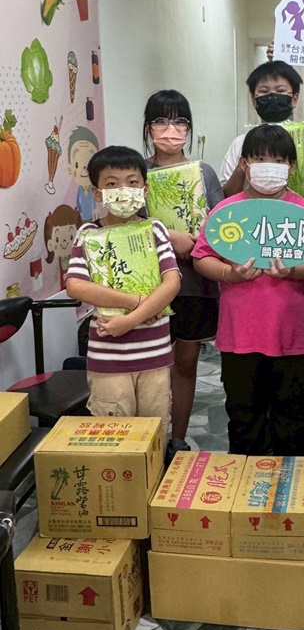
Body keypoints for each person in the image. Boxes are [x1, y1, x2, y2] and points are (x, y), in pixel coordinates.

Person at [193, 124, 304, 456]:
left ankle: (293, 475)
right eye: (260, 159)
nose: (269, 167)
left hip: (291, 336)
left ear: (291, 166)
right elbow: (201, 257)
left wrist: (294, 270)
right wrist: (228, 273)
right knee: (243, 414)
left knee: (291, 414)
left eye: (279, 160)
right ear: (244, 163)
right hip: (239, 336)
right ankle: (246, 475)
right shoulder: (226, 212)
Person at [66, 145, 181, 440]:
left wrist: (130, 320)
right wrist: (138, 302)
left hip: (155, 353)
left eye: (132, 182)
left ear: (144, 189)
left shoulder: (154, 229)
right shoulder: (88, 234)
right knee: (114, 436)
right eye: (112, 184)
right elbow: (75, 285)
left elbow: (172, 283)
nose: (123, 191)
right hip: (108, 356)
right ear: (97, 193)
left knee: (155, 433)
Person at [143, 90, 224, 463]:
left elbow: (222, 225)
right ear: (148, 127)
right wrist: (167, 236)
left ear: (189, 128)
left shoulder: (204, 172)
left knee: (186, 362)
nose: (170, 129)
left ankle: (177, 438)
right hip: (150, 284)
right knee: (151, 365)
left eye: (179, 121)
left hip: (196, 282)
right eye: (161, 120)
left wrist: (197, 241)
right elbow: (124, 224)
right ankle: (149, 439)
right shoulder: (137, 172)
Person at [219, 61, 304, 217]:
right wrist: (244, 164)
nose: (272, 96)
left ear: (294, 98)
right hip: (248, 223)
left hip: (298, 224)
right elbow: (226, 196)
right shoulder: (240, 143)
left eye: (280, 90)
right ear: (254, 99)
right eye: (264, 91)